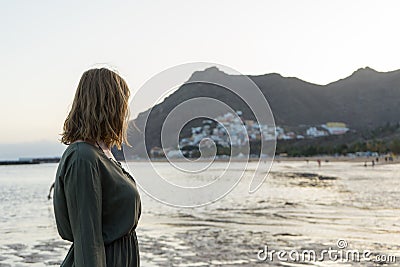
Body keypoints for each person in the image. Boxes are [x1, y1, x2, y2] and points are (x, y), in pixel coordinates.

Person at [53, 67, 141, 267]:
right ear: (108, 105)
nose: (125, 112)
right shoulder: (82, 157)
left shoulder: (102, 154)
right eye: (122, 103)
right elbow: (87, 241)